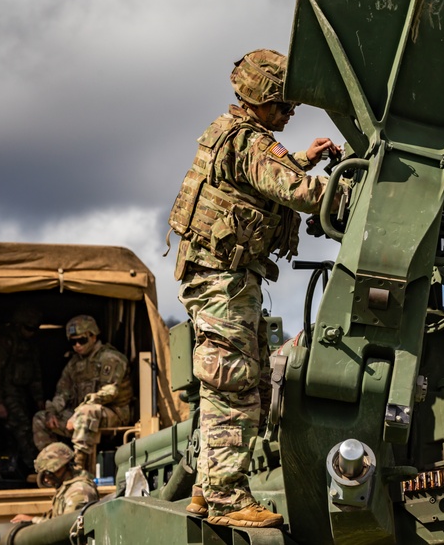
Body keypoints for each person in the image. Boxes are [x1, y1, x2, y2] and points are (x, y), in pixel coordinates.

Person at [167, 49, 341, 528]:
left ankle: (207, 488)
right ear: (260, 99)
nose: (289, 114)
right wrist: (352, 191)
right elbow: (297, 192)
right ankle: (226, 499)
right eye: (283, 106)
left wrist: (304, 158)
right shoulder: (250, 142)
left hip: (224, 279)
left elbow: (265, 178)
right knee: (234, 385)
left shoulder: (238, 135)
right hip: (223, 282)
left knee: (249, 383)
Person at [31, 315, 133, 472]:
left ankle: (79, 468)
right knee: (40, 418)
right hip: (80, 416)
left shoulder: (111, 358)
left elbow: (110, 391)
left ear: (93, 336)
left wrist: (79, 411)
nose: (77, 346)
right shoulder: (74, 364)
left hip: (114, 413)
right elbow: (62, 393)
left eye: (82, 340)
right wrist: (52, 412)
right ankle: (56, 466)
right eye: (73, 342)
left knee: (86, 413)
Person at [0, 308, 44, 469]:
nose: (32, 333)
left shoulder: (29, 344)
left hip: (22, 394)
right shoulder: (3, 342)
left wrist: (39, 399)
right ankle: (34, 466)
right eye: (28, 328)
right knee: (22, 427)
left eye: (35, 329)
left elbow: (35, 373)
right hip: (5, 394)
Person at [11, 442, 97, 524]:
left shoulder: (79, 491)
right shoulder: (66, 489)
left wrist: (33, 520)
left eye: (48, 474)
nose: (45, 480)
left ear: (60, 469)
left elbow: (67, 526)